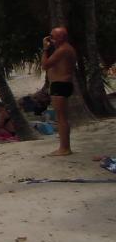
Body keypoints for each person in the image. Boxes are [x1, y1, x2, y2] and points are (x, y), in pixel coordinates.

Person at [42, 26, 77, 156]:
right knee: (62, 117)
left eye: (53, 36)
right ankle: (64, 146)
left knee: (61, 118)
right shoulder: (65, 49)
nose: (51, 39)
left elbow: (45, 65)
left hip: (60, 85)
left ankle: (64, 148)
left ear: (61, 37)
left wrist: (45, 49)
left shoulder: (63, 50)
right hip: (61, 84)